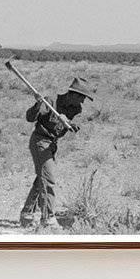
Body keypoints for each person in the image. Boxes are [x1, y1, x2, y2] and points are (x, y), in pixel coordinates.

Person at [20, 77, 95, 230]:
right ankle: (48, 219)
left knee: (42, 178)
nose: (83, 101)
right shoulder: (50, 101)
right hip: (40, 141)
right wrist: (38, 105)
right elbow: (29, 118)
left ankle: (27, 214)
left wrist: (68, 122)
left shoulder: (76, 109)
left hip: (52, 144)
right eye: (81, 97)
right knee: (48, 179)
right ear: (72, 94)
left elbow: (76, 127)